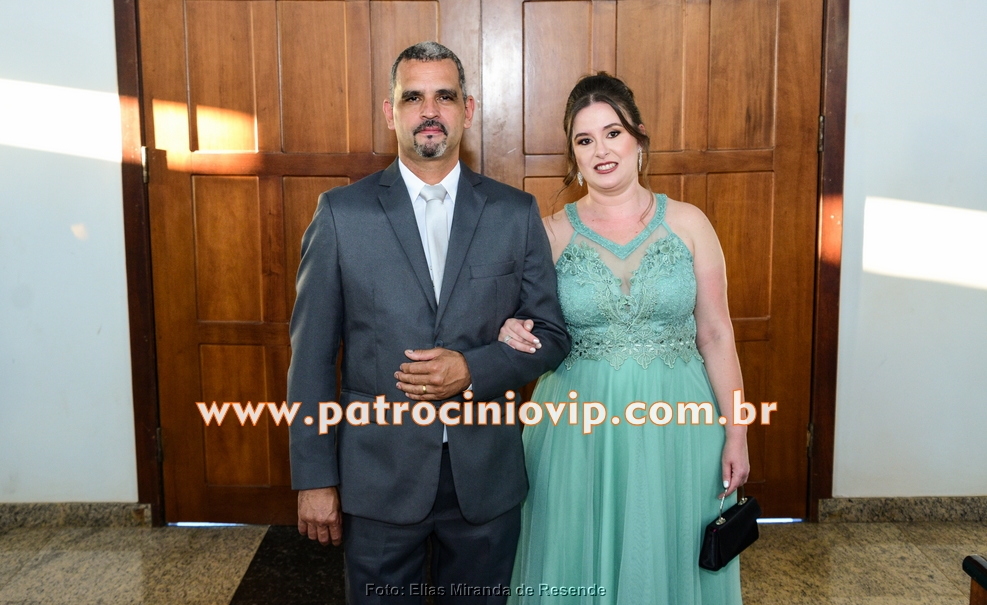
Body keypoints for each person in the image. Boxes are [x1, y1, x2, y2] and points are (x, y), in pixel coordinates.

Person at [287, 41, 571, 604]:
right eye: (413, 97)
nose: (430, 111)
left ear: (468, 110)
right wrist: (315, 478)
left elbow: (552, 334)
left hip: (485, 479)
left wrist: (473, 369)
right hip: (378, 479)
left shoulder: (513, 213)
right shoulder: (342, 214)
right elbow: (312, 356)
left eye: (445, 96)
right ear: (390, 112)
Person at [499, 73, 748, 603]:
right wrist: (507, 325)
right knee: (575, 553)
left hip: (680, 424)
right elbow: (512, 317)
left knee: (671, 553)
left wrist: (737, 432)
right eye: (585, 140)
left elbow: (717, 334)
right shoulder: (547, 233)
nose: (601, 150)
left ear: (639, 138)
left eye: (613, 133)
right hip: (577, 428)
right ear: (573, 155)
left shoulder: (690, 224)